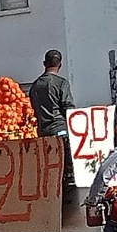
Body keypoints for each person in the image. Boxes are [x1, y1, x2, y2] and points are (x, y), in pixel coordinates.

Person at [29, 49, 76, 184]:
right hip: (60, 129)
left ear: (44, 63)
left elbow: (33, 107)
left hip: (43, 131)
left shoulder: (36, 85)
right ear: (60, 65)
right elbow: (68, 107)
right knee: (66, 166)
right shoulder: (61, 83)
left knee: (48, 167)